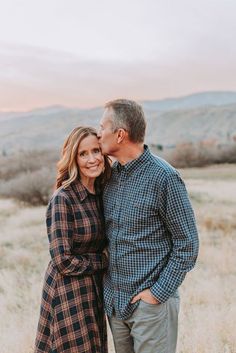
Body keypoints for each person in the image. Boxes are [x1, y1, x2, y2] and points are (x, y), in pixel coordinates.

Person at [97, 99, 199, 353]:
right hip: (116, 304)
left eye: (102, 128)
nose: (98, 134)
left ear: (120, 134)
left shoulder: (164, 178)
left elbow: (188, 245)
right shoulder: (109, 177)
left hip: (151, 306)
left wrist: (156, 294)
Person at [34, 126, 110, 353]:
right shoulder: (64, 198)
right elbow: (62, 261)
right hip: (68, 291)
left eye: (96, 151)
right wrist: (104, 262)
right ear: (72, 159)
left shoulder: (101, 194)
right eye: (83, 154)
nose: (92, 159)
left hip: (93, 290)